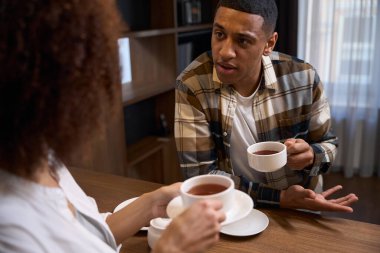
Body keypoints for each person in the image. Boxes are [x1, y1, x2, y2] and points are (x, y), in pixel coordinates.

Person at [0, 0, 225, 252]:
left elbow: (93, 235)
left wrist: (152, 203)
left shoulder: (38, 155)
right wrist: (170, 249)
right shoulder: (10, 228)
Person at [174, 0, 358, 212]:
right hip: (230, 208)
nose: (224, 52)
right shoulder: (192, 84)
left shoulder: (303, 77)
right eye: (220, 34)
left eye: (242, 41)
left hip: (299, 209)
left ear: (269, 44)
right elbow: (200, 175)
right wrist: (279, 198)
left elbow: (329, 144)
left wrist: (311, 156)